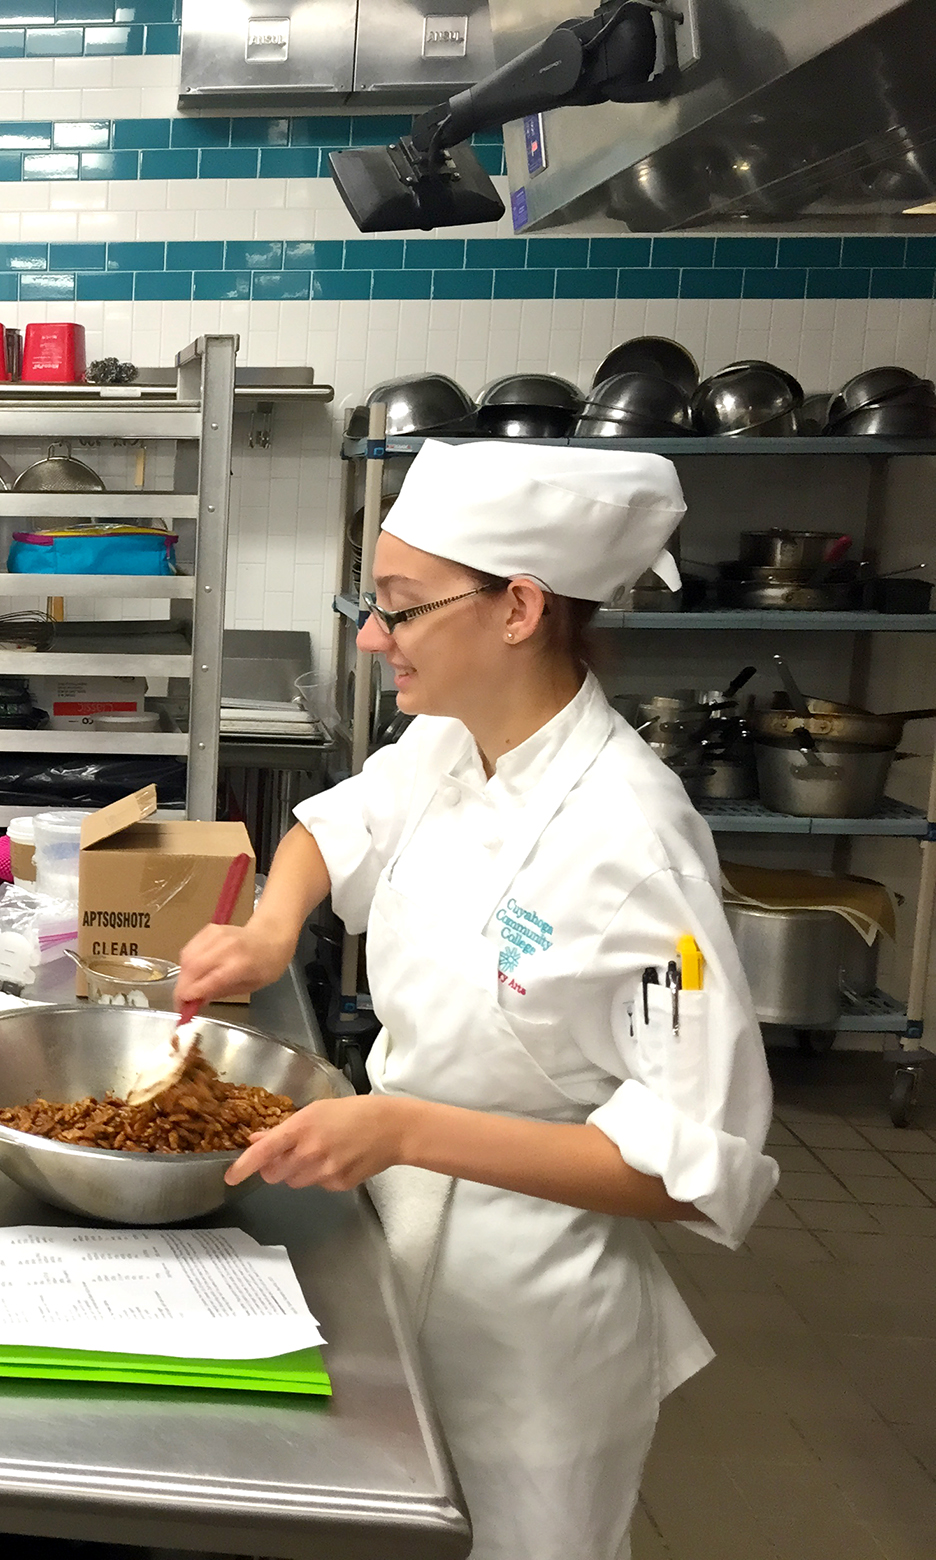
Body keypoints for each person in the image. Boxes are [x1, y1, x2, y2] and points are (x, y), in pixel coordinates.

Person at [176, 441, 778, 1560]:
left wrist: (402, 1126)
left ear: (518, 609)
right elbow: (336, 821)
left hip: (535, 1323)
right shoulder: (457, 740)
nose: (369, 636)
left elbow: (687, 1167)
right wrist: (270, 927)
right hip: (402, 1242)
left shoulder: (634, 847)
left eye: (398, 610)